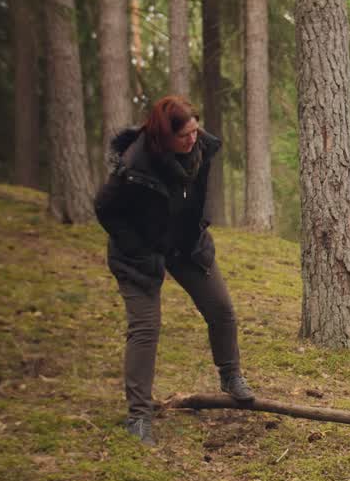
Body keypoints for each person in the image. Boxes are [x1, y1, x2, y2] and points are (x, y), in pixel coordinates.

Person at [95, 96, 254, 446]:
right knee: (145, 329)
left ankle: (230, 377)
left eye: (195, 131)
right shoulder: (135, 164)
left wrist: (197, 227)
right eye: (184, 136)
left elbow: (193, 195)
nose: (192, 140)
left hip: (185, 246)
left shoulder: (202, 148)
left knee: (221, 310)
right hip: (138, 255)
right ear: (164, 136)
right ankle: (138, 416)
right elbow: (105, 209)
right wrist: (138, 249)